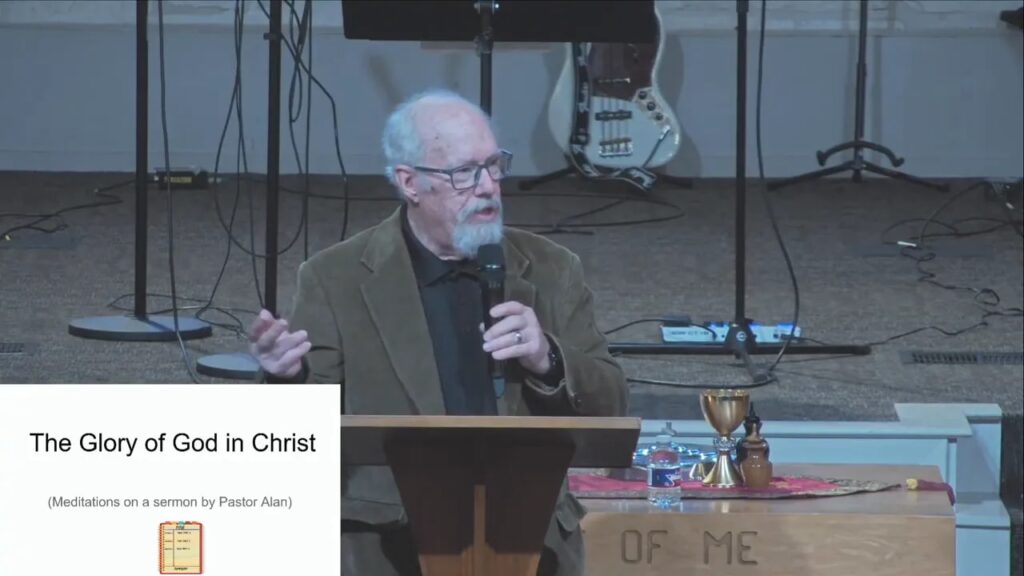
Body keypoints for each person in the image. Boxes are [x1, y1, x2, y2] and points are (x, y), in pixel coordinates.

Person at [249, 89, 628, 576]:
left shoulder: (552, 268)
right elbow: (302, 440)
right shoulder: (335, 277)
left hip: (529, 540)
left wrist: (548, 359)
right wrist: (286, 378)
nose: (489, 186)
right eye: (464, 173)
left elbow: (612, 404)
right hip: (392, 544)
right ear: (410, 183)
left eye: (495, 165)